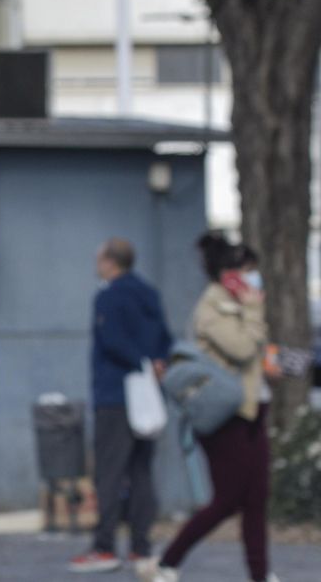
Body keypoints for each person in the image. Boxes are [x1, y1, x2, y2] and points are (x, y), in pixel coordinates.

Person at [146, 235, 278, 582]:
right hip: (224, 416)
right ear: (227, 274)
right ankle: (166, 563)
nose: (253, 279)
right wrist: (253, 308)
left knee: (256, 499)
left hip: (253, 410)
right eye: (247, 272)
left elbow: (255, 358)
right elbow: (242, 348)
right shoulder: (211, 308)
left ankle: (261, 575)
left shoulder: (240, 306)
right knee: (229, 499)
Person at [67, 238, 172, 574]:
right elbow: (165, 338)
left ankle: (104, 547)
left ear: (110, 261)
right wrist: (155, 363)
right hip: (149, 395)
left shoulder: (108, 296)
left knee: (109, 472)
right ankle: (141, 547)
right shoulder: (148, 293)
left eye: (99, 257)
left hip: (115, 395)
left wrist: (136, 360)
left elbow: (111, 340)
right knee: (141, 470)